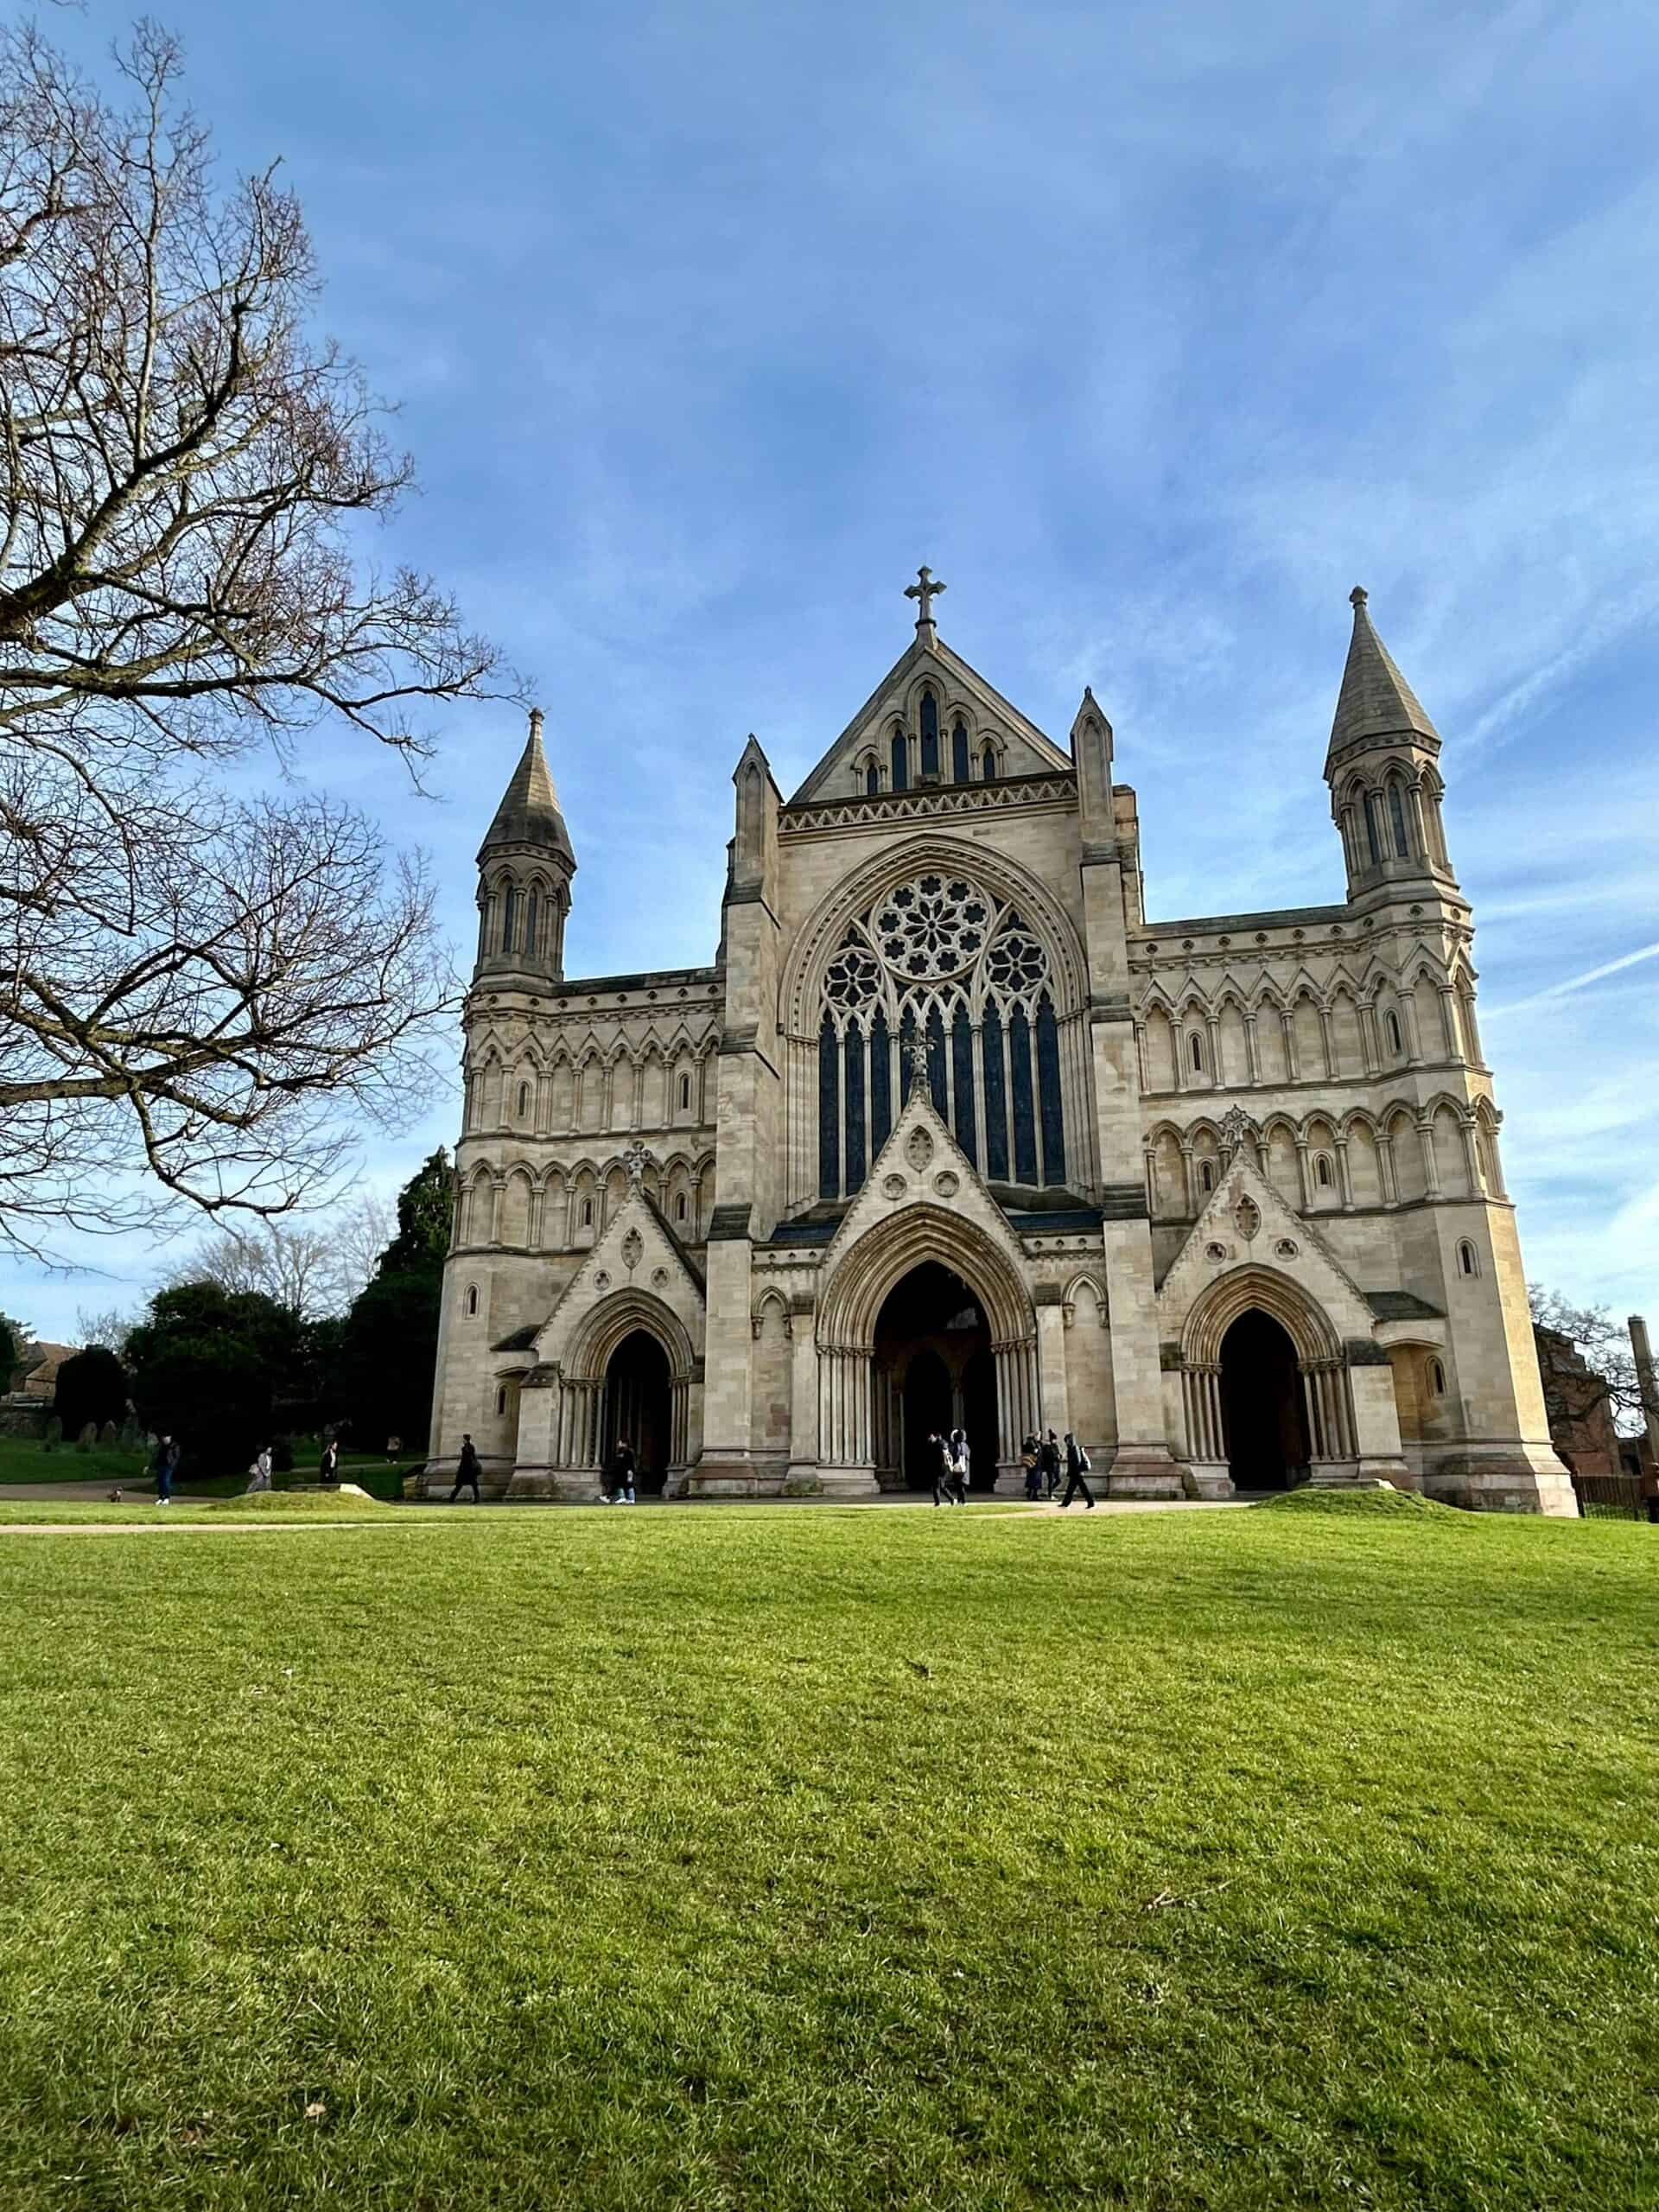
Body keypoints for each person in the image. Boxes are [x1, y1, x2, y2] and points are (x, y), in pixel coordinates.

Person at [1059, 1432, 1096, 1510]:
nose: (1066, 1443)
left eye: (1066, 1441)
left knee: (1080, 1489)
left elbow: (1076, 1461)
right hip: (1076, 1472)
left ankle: (1090, 1502)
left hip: (1076, 1472)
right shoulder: (1072, 1448)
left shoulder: (1074, 1449)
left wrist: (1074, 1471)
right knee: (1072, 1489)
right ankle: (1066, 1503)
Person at [448, 1433, 481, 1503]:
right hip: (470, 1469)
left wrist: (460, 1468)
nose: (462, 1440)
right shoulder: (471, 1447)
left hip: (466, 1470)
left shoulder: (464, 1448)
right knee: (474, 1485)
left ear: (465, 1439)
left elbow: (464, 1460)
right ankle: (477, 1499)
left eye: (463, 1439)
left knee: (460, 1485)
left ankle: (452, 1498)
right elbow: (473, 1457)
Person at [604, 1437, 637, 1505]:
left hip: (627, 1471)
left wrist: (630, 1471)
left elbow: (629, 1462)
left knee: (625, 1484)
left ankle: (627, 1498)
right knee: (626, 1484)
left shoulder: (627, 1451)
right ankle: (629, 1499)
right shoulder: (623, 1451)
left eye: (619, 1442)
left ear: (624, 1443)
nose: (618, 1444)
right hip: (624, 1471)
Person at [151, 1432, 179, 1506]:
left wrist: (172, 1465)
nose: (165, 1439)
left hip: (168, 1467)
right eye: (163, 1438)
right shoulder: (160, 1446)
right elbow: (155, 1456)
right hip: (160, 1466)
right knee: (160, 1482)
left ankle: (167, 1498)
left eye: (166, 1437)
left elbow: (176, 1457)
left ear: (170, 1437)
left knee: (166, 1481)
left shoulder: (174, 1446)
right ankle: (160, 1498)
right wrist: (150, 1466)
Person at [945, 1427, 970, 1506]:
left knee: (960, 1485)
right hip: (964, 1467)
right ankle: (960, 1500)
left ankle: (962, 1501)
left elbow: (955, 1454)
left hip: (959, 1467)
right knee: (960, 1485)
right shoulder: (965, 1445)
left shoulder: (957, 1445)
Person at [1039, 1428, 1063, 1500]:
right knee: (1051, 1481)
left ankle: (1050, 1491)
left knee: (1058, 1480)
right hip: (1050, 1466)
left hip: (1056, 1466)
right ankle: (1050, 1494)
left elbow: (1058, 1453)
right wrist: (1056, 1456)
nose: (1055, 1441)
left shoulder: (1055, 1446)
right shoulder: (1047, 1447)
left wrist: (1060, 1456)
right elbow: (1048, 1456)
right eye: (1054, 1439)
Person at [1020, 1431, 1042, 1502]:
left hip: (1036, 1464)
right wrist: (1036, 1451)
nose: (1039, 1437)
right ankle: (1033, 1495)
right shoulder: (1031, 1443)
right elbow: (1034, 1452)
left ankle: (1032, 1494)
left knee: (1034, 1481)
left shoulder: (1036, 1443)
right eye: (1038, 1435)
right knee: (1034, 1481)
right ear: (1035, 1436)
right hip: (1033, 1464)